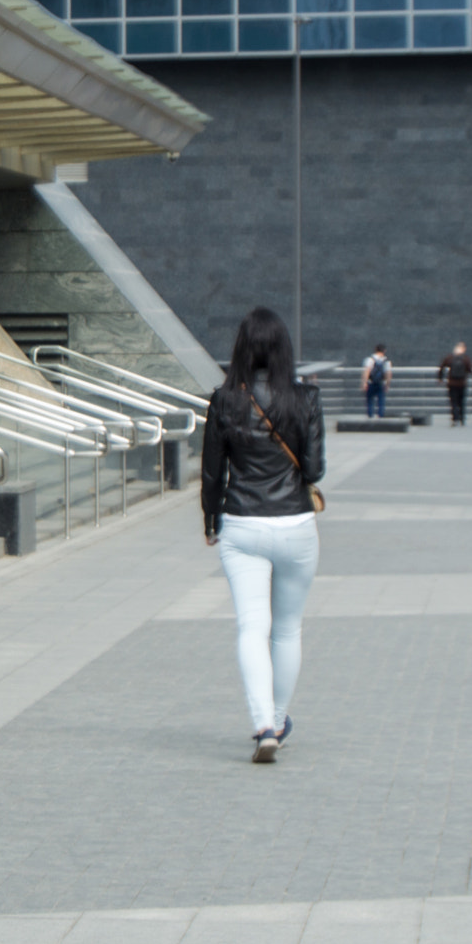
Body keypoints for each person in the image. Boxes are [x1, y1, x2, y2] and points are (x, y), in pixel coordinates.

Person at [202, 306, 325, 764]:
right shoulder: (306, 398)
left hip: (242, 523)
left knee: (252, 626)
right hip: (294, 523)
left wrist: (211, 520)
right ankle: (278, 717)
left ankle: (262, 726)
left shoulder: (224, 400)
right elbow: (314, 468)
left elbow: (212, 472)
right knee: (287, 628)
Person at [436, 341, 472, 426]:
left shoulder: (449, 358)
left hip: (452, 383)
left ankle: (454, 419)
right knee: (462, 401)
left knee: (453, 402)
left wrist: (440, 378)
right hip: (462, 383)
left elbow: (441, 367)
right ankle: (462, 418)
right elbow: (471, 369)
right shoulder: (466, 358)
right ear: (463, 349)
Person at [361, 344, 392, 419]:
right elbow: (388, 374)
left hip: (371, 382)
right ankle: (380, 416)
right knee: (381, 401)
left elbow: (366, 371)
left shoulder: (370, 359)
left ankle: (370, 416)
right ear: (384, 351)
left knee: (370, 400)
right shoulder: (386, 361)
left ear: (375, 349)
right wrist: (387, 384)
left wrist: (364, 383)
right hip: (381, 383)